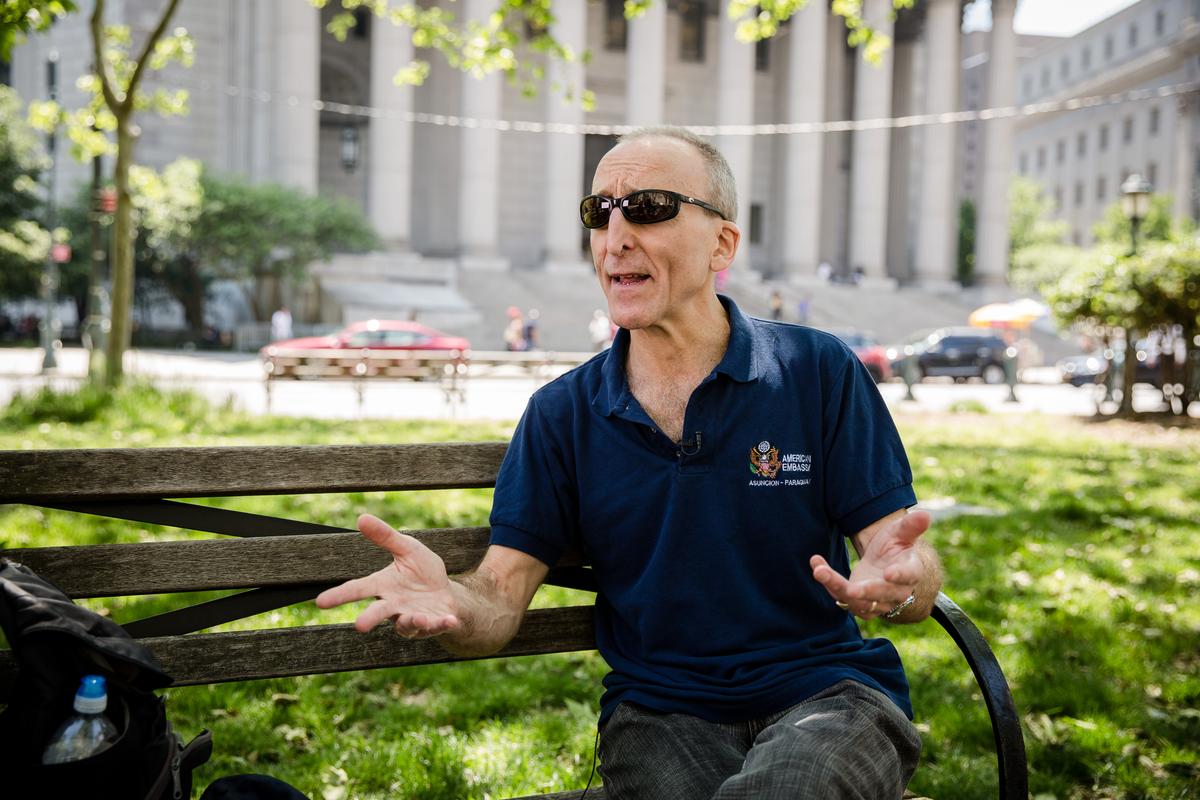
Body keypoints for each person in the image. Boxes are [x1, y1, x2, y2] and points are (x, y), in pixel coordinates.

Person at [317, 127, 942, 799]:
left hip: (831, 699)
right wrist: (457, 606)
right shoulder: (562, 415)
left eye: (648, 207)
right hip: (659, 718)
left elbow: (901, 560)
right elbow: (500, 594)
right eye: (599, 212)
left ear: (722, 245)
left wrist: (907, 581)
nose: (615, 236)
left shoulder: (815, 371)